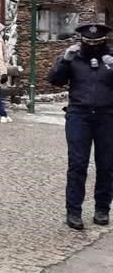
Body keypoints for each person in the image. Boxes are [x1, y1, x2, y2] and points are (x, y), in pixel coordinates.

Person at [47, 22, 113, 230]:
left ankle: (102, 208)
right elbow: (55, 80)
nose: (93, 44)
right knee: (77, 165)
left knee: (107, 165)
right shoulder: (74, 57)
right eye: (88, 41)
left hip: (107, 116)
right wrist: (64, 61)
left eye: (98, 41)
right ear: (82, 41)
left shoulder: (110, 59)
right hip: (79, 116)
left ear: (105, 41)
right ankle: (73, 212)